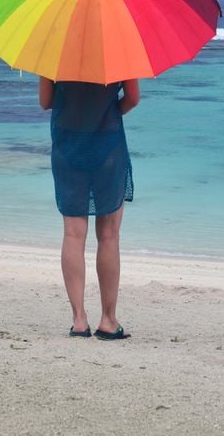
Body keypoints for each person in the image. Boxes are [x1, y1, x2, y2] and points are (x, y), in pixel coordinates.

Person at [39, 76, 140, 340]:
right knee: (108, 234)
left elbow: (45, 102)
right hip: (107, 144)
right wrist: (108, 109)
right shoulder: (120, 44)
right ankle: (108, 320)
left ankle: (79, 320)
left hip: (67, 144)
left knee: (73, 233)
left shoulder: (55, 49)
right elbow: (132, 99)